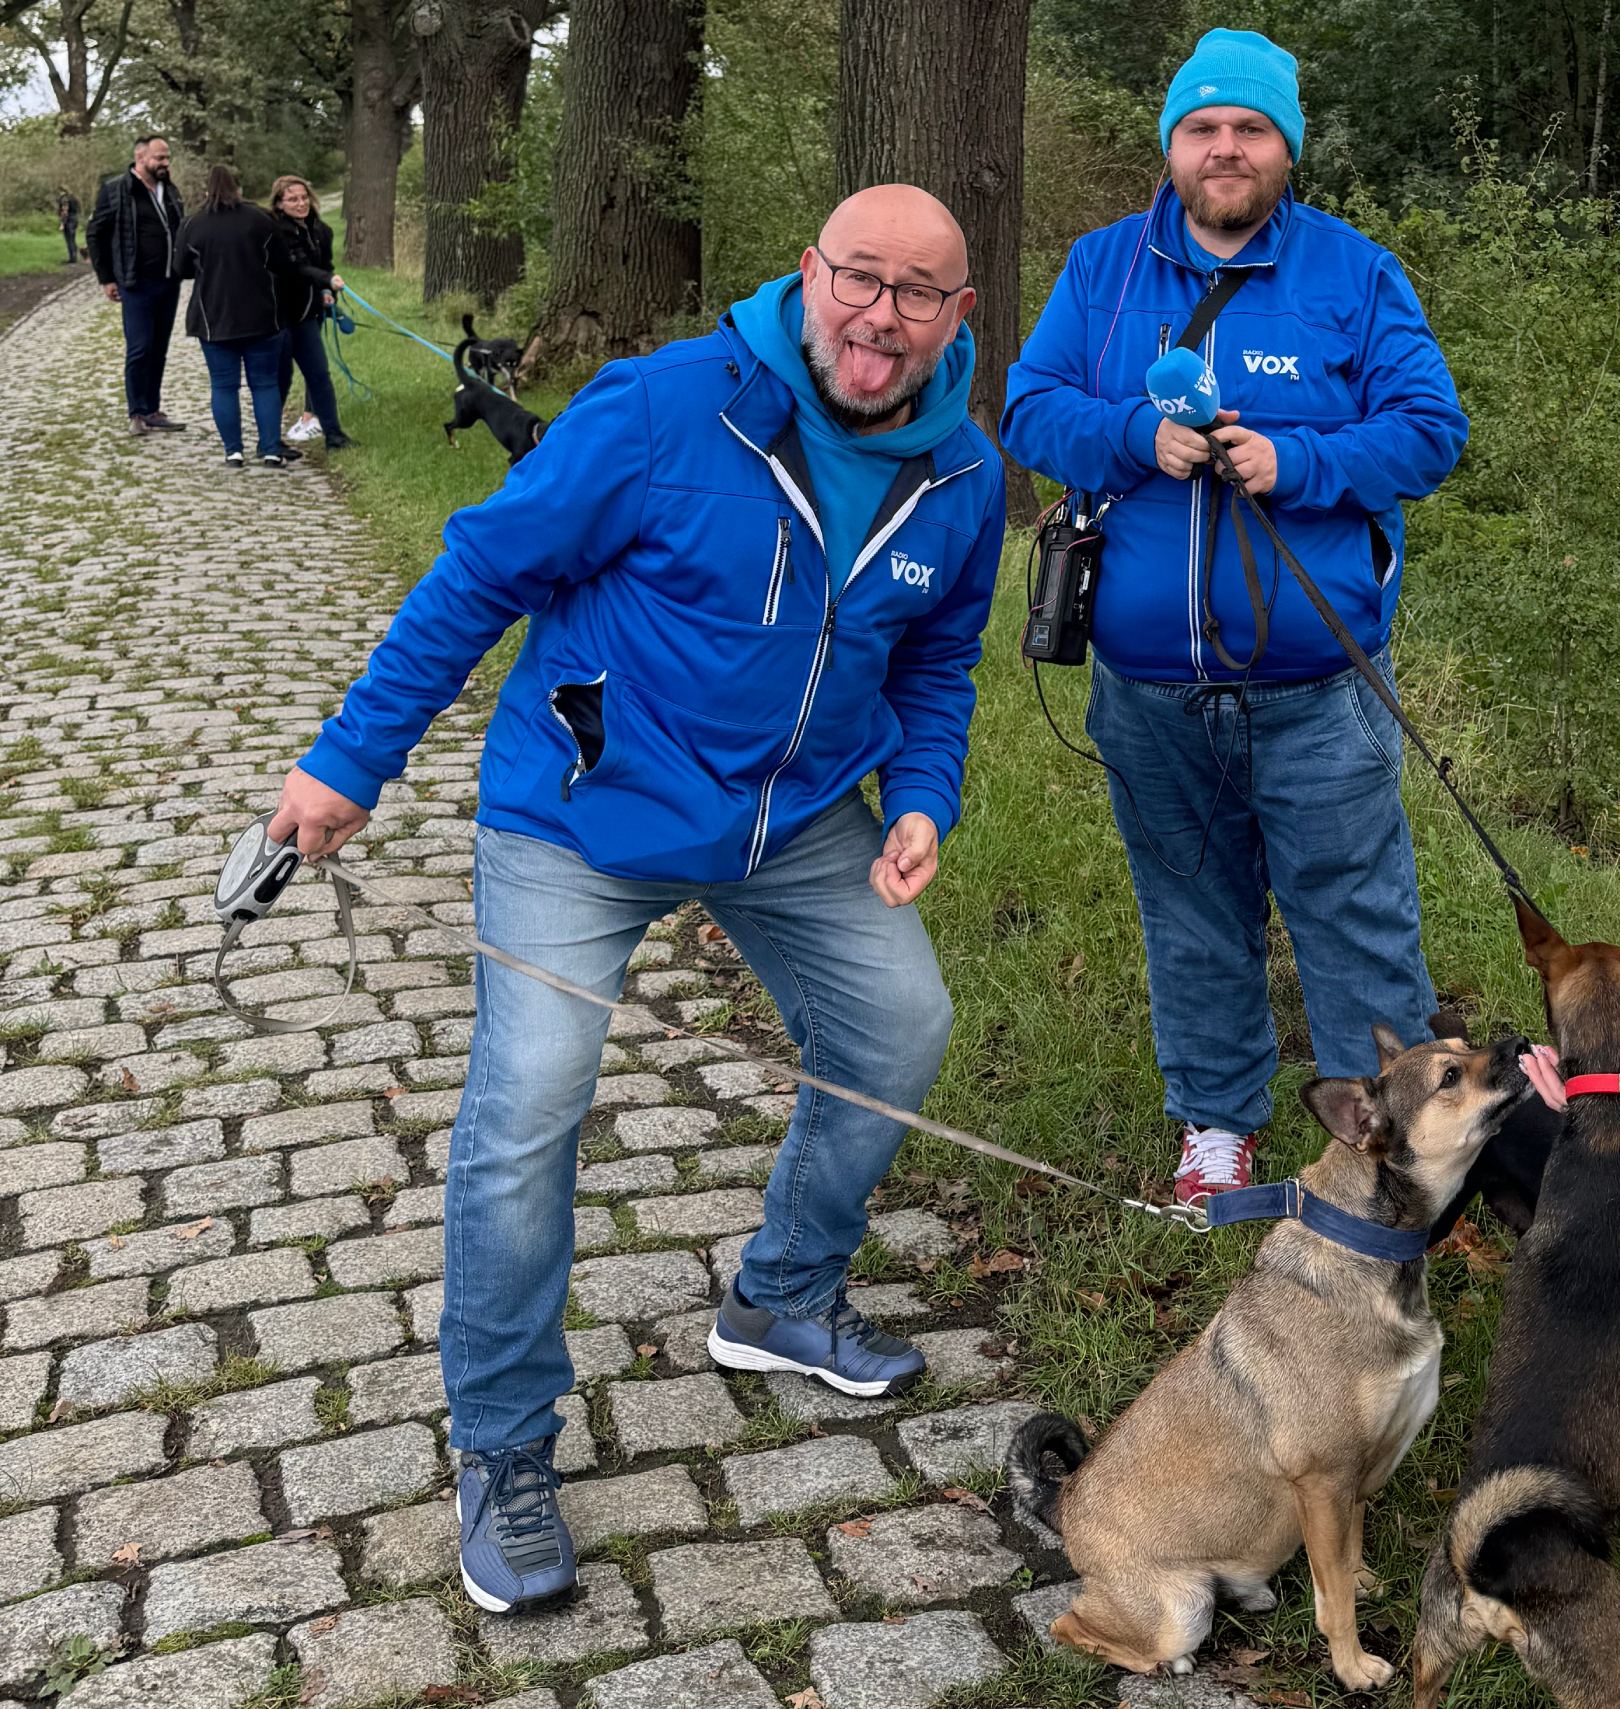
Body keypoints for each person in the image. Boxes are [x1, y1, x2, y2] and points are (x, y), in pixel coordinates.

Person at [265, 184, 1004, 1614]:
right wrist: (352, 759)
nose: (882, 318)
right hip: (583, 813)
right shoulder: (663, 410)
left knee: (905, 1025)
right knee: (533, 1094)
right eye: (861, 279)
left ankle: (783, 1293)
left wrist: (924, 794)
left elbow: (939, 662)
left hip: (795, 827)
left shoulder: (962, 471)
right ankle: (502, 1444)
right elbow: (481, 570)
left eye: (921, 294)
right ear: (807, 274)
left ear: (960, 315)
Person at [1002, 27, 1469, 1205]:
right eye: (1202, 129)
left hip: (1319, 692)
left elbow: (1430, 430)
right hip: (1148, 689)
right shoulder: (1102, 270)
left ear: (1286, 148)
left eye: (1249, 129)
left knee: (1354, 920)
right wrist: (1127, 437)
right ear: (1171, 146)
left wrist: (1297, 459)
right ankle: (1215, 1123)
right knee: (1193, 916)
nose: (1225, 149)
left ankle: (1399, 1144)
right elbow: (1026, 408)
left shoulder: (1356, 276)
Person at [172, 163, 290, 469]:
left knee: (224, 386)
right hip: (262, 314)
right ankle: (271, 449)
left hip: (214, 317)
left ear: (205, 191)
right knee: (264, 384)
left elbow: (181, 269)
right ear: (239, 188)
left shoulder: (192, 224)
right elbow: (281, 261)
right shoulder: (261, 219)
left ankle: (233, 451)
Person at [87, 134, 188, 436]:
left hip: (169, 281)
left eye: (167, 157)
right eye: (159, 158)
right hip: (136, 282)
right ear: (140, 157)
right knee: (140, 348)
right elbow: (95, 234)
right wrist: (106, 278)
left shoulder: (168, 190)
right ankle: (136, 412)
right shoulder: (117, 189)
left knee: (159, 348)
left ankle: (153, 409)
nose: (165, 163)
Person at [268, 176, 352, 450]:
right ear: (280, 204)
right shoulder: (276, 233)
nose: (301, 203)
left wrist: (328, 291)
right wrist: (326, 280)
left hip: (307, 317)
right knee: (280, 378)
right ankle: (270, 440)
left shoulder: (321, 230)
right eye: (293, 199)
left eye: (304, 197)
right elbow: (297, 268)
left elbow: (324, 264)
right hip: (279, 317)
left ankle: (334, 436)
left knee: (319, 375)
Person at [55, 187, 80, 264]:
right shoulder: (74, 198)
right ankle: (74, 256)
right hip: (75, 219)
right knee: (73, 238)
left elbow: (64, 212)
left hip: (68, 220)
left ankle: (72, 258)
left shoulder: (64, 199)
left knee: (69, 239)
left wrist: (62, 223)